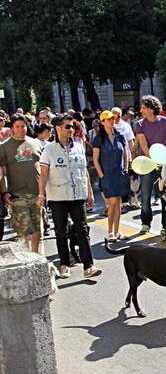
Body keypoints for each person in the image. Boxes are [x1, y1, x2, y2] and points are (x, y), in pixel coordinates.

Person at [38, 115, 102, 279]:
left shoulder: (79, 147)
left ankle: (88, 266)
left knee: (82, 230)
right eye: (67, 126)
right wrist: (41, 194)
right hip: (57, 197)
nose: (71, 129)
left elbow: (84, 172)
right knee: (61, 232)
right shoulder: (49, 150)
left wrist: (89, 193)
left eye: (72, 126)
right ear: (58, 128)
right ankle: (64, 264)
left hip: (77, 195)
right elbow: (43, 174)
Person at [0, 114, 43, 253]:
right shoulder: (4, 146)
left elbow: (43, 168)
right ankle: (26, 259)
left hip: (36, 193)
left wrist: (44, 191)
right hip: (17, 195)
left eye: (23, 126)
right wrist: (5, 192)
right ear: (12, 128)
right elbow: (2, 172)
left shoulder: (35, 143)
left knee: (37, 229)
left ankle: (36, 257)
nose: (20, 129)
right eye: (17, 126)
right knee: (24, 230)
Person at [134, 94, 166, 235]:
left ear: (151, 109)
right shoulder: (140, 124)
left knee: (165, 196)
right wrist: (154, 160)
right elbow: (143, 144)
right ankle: (146, 223)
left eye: (143, 107)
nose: (141, 110)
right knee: (146, 196)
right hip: (147, 164)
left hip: (164, 165)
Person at [93, 110, 130, 242]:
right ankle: (109, 232)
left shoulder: (119, 136)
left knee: (119, 203)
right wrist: (101, 175)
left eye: (112, 119)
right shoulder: (99, 139)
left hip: (119, 174)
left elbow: (125, 154)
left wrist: (126, 168)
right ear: (102, 122)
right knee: (112, 203)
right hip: (107, 175)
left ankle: (117, 231)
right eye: (108, 119)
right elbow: (95, 159)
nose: (111, 121)